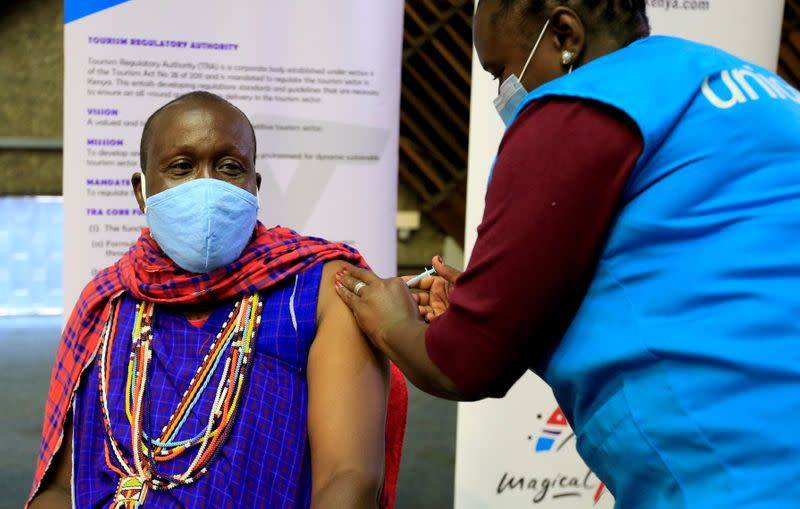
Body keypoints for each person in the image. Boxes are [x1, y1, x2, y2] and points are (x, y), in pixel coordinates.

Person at [335, 0, 800, 507]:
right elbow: (690, 268)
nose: (505, 93)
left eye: (502, 70)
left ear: (564, 35)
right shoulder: (746, 85)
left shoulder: (581, 107)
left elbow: (465, 365)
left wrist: (391, 324)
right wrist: (493, 302)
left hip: (737, 468)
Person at [28, 91, 407, 509]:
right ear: (142, 191)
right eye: (181, 167)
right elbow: (63, 489)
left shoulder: (320, 288)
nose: (206, 185)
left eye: (229, 167)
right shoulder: (108, 302)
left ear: (254, 187)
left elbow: (347, 478)